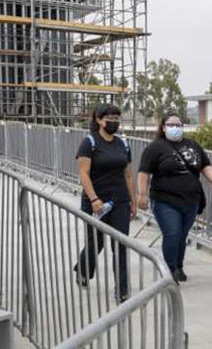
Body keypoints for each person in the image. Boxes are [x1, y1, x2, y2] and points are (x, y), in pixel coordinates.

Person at [138, 112, 212, 282]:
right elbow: (144, 172)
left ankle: (178, 266)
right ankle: (169, 270)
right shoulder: (155, 148)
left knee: (182, 236)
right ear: (163, 127)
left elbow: (205, 165)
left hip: (191, 200)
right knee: (172, 233)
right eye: (171, 125)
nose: (175, 128)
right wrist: (142, 195)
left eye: (178, 125)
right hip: (165, 200)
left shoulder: (193, 145)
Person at [73, 104, 136, 302]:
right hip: (95, 202)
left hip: (119, 202)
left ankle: (122, 289)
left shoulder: (123, 144)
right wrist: (94, 199)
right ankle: (82, 269)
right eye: (110, 118)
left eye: (118, 118)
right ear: (99, 120)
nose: (115, 121)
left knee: (120, 244)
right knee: (96, 243)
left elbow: (127, 174)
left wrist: (133, 201)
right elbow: (83, 174)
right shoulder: (89, 142)